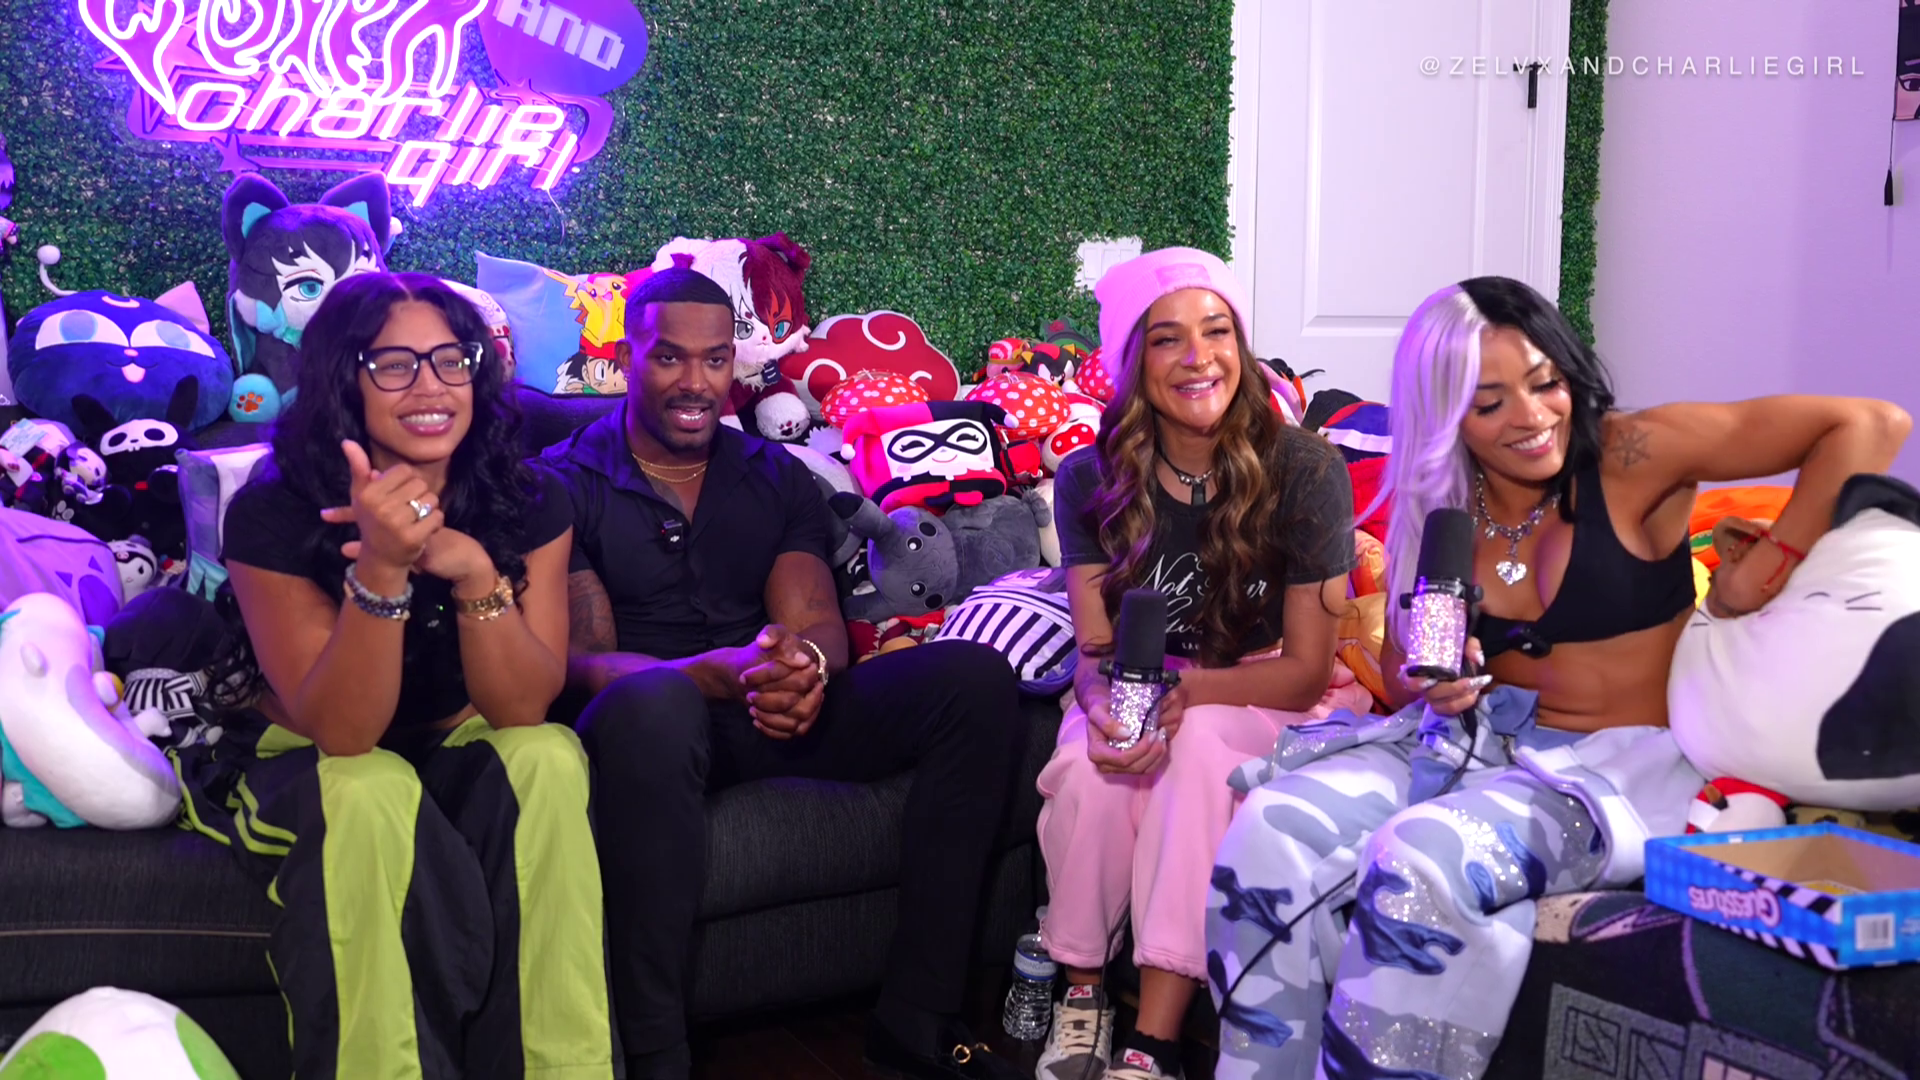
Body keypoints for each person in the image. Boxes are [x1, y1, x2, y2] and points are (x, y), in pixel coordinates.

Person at [1207, 275, 1912, 1079]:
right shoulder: (1442, 500)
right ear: (1447, 415)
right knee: (1271, 827)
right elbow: (1403, 672)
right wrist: (1431, 682)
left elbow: (1869, 424)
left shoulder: (1634, 455)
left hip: (1626, 768)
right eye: (1490, 403)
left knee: (1422, 856)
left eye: (1546, 384)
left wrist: (1770, 565)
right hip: (1476, 746)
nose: (1533, 417)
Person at [543, 265, 1028, 1080]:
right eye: (669, 357)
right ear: (627, 359)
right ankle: (656, 1057)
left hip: (766, 704)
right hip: (650, 729)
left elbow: (813, 617)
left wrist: (804, 667)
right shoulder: (563, 479)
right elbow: (581, 659)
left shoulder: (773, 474)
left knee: (974, 678)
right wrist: (706, 675)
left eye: (714, 359)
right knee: (655, 701)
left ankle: (916, 1021)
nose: (695, 383)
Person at [173, 272, 620, 1079]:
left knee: (550, 757)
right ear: (343, 380)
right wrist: (382, 569)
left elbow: (523, 708)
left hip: (454, 740)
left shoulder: (529, 500)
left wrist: (476, 573)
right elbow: (345, 734)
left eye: (452, 360)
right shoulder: (274, 512)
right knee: (369, 788)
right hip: (309, 757)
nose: (431, 387)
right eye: (394, 365)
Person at [1035, 247, 1372, 1080]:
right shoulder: (1087, 477)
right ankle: (1082, 1000)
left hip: (1268, 686)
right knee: (1088, 773)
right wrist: (1101, 706)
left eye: (1217, 331)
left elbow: (1304, 669)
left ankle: (1154, 1041)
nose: (1198, 357)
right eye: (1167, 339)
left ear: (1241, 345)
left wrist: (1186, 693)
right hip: (1137, 685)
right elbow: (1095, 652)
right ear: (1132, 361)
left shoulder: (1306, 469)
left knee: (1193, 753)